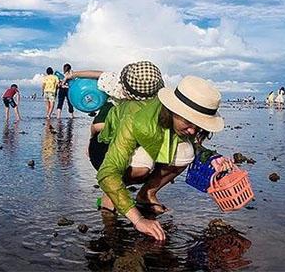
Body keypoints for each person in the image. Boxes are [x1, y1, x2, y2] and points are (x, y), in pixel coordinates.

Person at [96, 75, 225, 242]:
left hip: (145, 142)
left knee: (186, 152)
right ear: (173, 110)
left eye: (198, 125)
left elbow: (193, 144)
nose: (193, 131)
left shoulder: (180, 123)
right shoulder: (135, 117)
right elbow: (108, 171)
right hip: (104, 149)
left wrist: (212, 157)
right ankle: (110, 194)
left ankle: (146, 194)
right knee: (143, 165)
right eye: (189, 122)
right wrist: (138, 220)